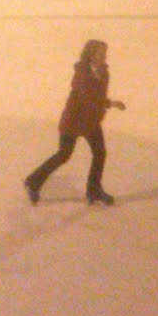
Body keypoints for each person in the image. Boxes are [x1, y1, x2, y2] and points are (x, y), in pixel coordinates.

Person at [24, 39, 126, 206]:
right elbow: (90, 98)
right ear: (90, 55)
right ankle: (33, 182)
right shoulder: (81, 74)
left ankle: (94, 190)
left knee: (100, 153)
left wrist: (103, 106)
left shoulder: (103, 72)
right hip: (73, 121)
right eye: (100, 54)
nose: (104, 57)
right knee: (64, 155)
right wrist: (111, 104)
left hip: (91, 121)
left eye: (105, 54)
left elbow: (96, 97)